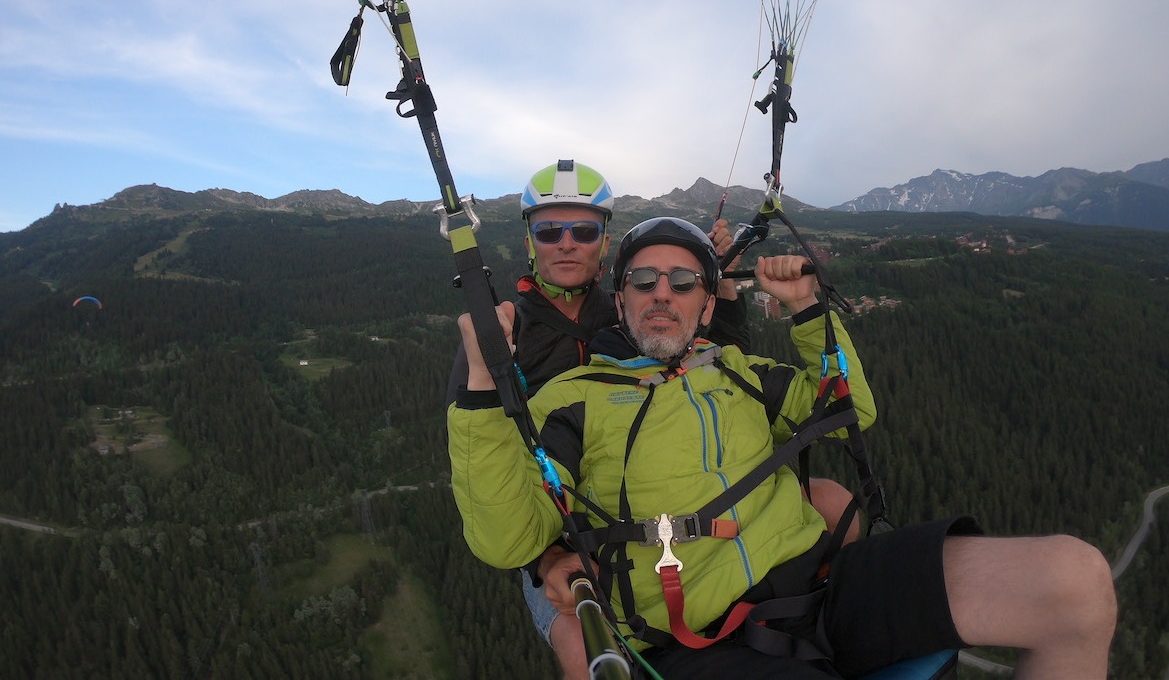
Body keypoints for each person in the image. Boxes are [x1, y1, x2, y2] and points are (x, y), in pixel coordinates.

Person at [449, 217, 1117, 678]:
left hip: (825, 587)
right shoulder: (573, 399)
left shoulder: (737, 371)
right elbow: (509, 540)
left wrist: (806, 312)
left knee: (1075, 584)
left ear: (707, 307)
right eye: (644, 281)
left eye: (683, 283)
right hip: (703, 637)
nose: (663, 294)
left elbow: (848, 407)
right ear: (619, 301)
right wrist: (481, 387)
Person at [447, 161, 856, 679]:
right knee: (584, 646)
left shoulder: (627, 302)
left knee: (836, 503)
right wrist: (546, 561)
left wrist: (719, 292)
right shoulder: (501, 337)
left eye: (584, 230)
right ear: (530, 240)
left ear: (604, 242)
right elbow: (482, 463)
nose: (567, 243)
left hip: (649, 487)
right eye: (550, 231)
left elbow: (710, 373)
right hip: (559, 525)